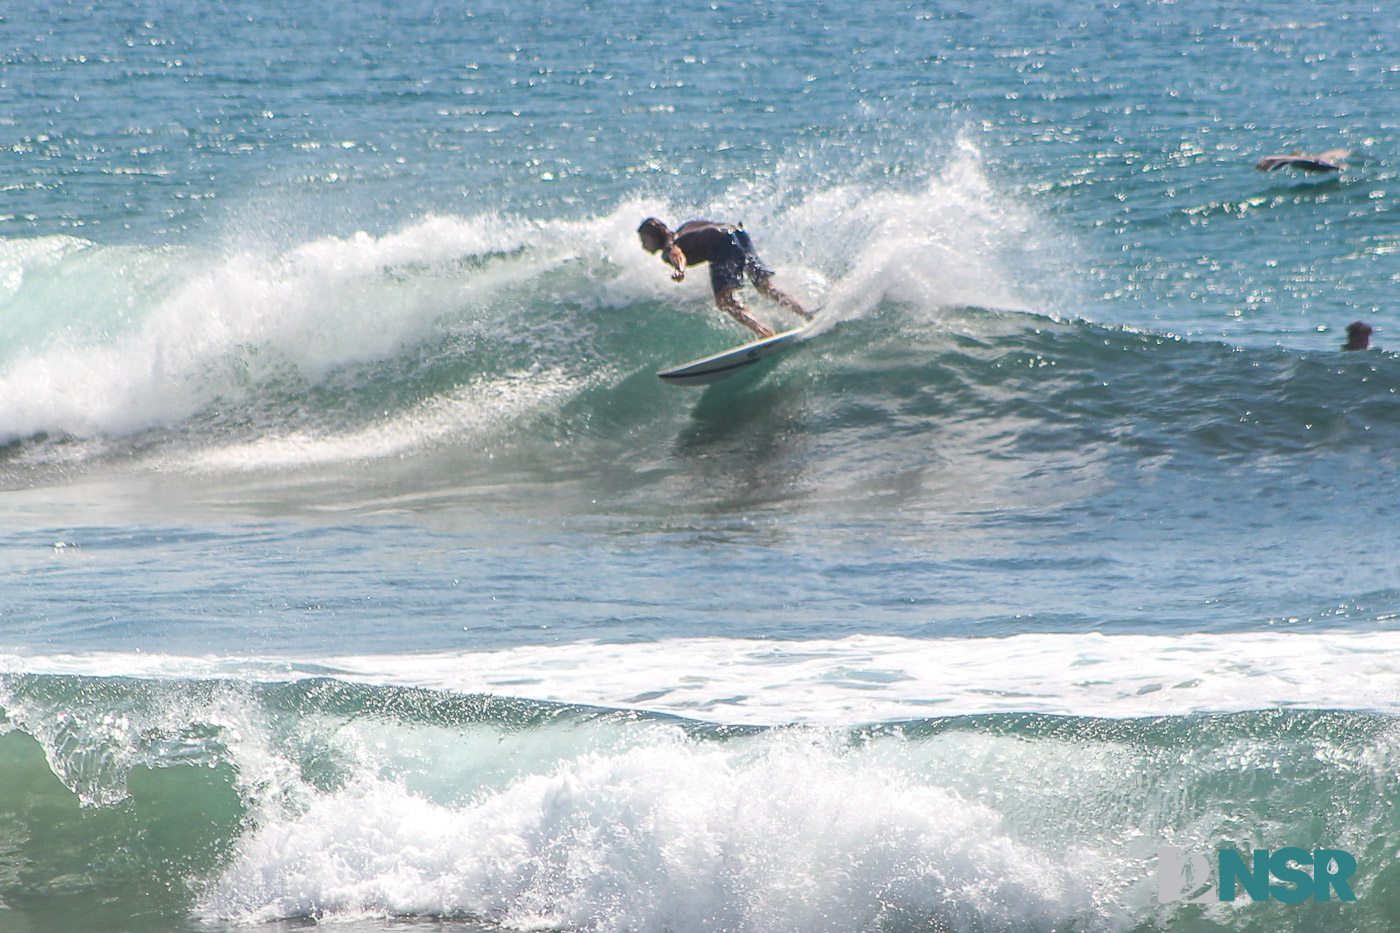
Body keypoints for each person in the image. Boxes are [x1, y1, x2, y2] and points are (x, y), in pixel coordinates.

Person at [638, 217, 812, 338]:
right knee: (766, 288)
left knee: (724, 301)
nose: (643, 246)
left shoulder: (670, 245)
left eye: (644, 240)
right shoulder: (685, 228)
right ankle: (807, 314)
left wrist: (680, 269)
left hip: (723, 245)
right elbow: (711, 226)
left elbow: (677, 254)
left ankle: (764, 333)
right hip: (739, 234)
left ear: (653, 237)